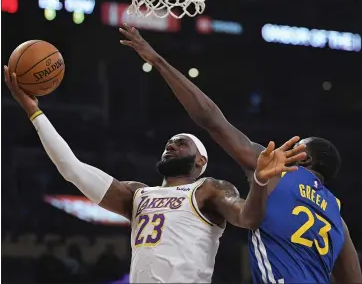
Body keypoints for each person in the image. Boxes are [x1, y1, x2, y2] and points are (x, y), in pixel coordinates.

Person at [4, 65, 306, 283]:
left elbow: (249, 218)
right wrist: (34, 112)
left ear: (200, 160)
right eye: (169, 142)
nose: (171, 144)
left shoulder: (209, 189)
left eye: (181, 143)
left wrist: (260, 180)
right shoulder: (137, 194)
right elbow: (71, 168)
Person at [119, 24, 362, 283]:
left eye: (294, 146)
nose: (284, 149)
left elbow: (211, 119)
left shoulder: (276, 172)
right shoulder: (338, 219)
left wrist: (158, 61)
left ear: (303, 158)